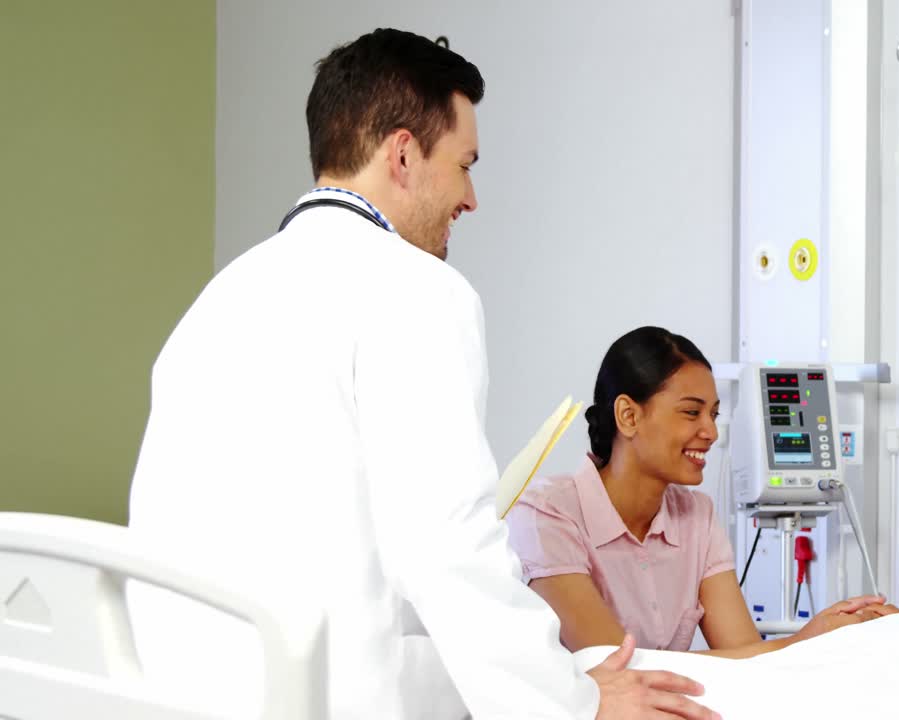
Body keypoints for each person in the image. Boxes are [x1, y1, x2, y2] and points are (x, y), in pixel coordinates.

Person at [127, 29, 717, 720]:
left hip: (182, 691)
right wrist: (575, 702)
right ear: (402, 154)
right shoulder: (417, 290)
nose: (471, 198)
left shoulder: (221, 298)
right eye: (464, 164)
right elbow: (449, 546)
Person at [506, 326, 883, 657]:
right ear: (629, 416)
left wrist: (828, 634)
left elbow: (745, 658)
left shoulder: (696, 517)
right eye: (691, 413)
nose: (711, 432)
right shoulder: (547, 512)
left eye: (714, 414)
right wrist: (799, 642)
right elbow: (617, 669)